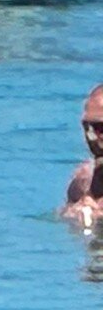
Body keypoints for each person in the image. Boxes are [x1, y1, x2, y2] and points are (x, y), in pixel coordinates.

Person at [62, 85, 103, 225]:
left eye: (101, 128)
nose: (93, 136)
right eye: (88, 127)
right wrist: (73, 214)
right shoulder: (83, 179)